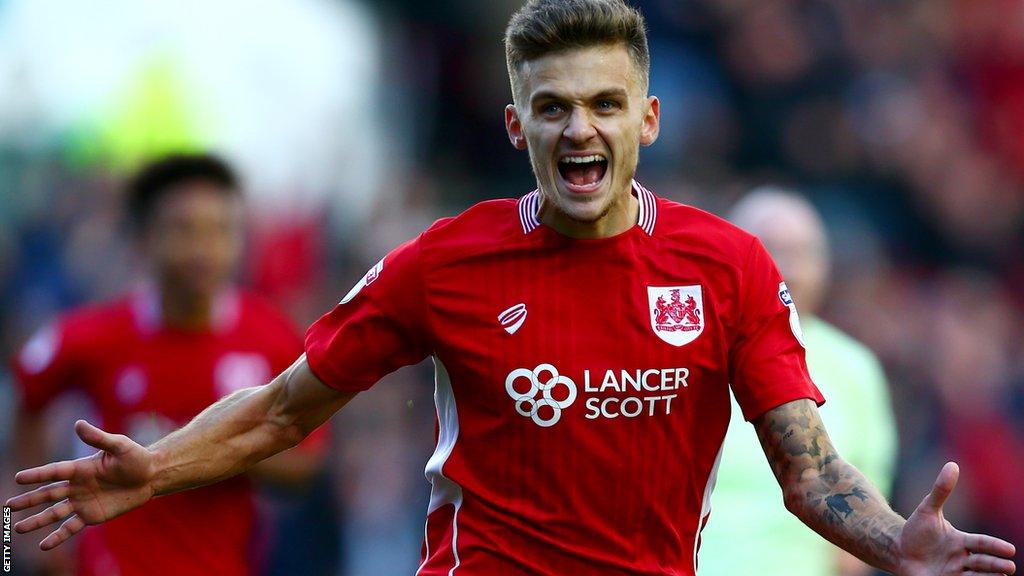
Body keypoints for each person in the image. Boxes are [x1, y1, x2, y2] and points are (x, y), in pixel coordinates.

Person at [6, 2, 1017, 575]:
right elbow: (281, 410)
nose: (580, 127)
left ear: (648, 121)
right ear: (513, 126)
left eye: (605, 104)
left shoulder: (726, 268)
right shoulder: (445, 264)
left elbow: (811, 473)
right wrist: (156, 471)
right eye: (553, 107)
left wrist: (895, 544)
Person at [6, 154, 329, 575]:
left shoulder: (272, 338)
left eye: (220, 230)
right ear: (144, 238)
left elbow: (307, 465)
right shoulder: (94, 335)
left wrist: (203, 445)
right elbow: (26, 396)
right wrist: (26, 536)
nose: (204, 248)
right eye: (184, 229)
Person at [699, 188, 898, 576]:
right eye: (768, 248)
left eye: (801, 252)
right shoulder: (690, 356)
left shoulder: (855, 368)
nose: (785, 267)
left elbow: (864, 511)